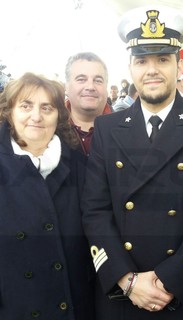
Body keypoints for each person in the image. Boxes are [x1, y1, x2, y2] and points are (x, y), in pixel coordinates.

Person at [82, 5, 183, 320]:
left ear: (179, 66)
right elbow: (94, 211)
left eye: (163, 59)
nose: (152, 70)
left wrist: (172, 279)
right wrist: (126, 279)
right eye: (142, 61)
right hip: (121, 294)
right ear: (130, 68)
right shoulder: (107, 129)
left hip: (182, 293)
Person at [0, 72, 95, 319]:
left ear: (58, 116)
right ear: (10, 113)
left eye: (47, 107)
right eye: (26, 106)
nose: (36, 116)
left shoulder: (80, 167)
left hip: (74, 306)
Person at [65, 52, 112, 156]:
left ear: (106, 87)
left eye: (98, 80)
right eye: (81, 79)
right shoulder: (49, 129)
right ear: (66, 87)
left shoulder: (129, 129)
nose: (90, 87)